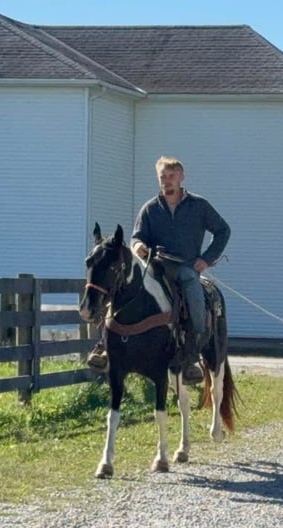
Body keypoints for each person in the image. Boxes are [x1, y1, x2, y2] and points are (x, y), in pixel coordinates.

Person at [88, 156, 231, 382]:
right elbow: (136, 237)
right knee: (122, 289)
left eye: (171, 176)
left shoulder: (199, 206)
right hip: (154, 268)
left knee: (195, 296)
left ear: (181, 177)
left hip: (185, 268)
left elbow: (223, 231)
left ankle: (191, 356)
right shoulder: (150, 209)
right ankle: (104, 346)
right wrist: (138, 246)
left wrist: (206, 259)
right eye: (163, 177)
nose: (167, 181)